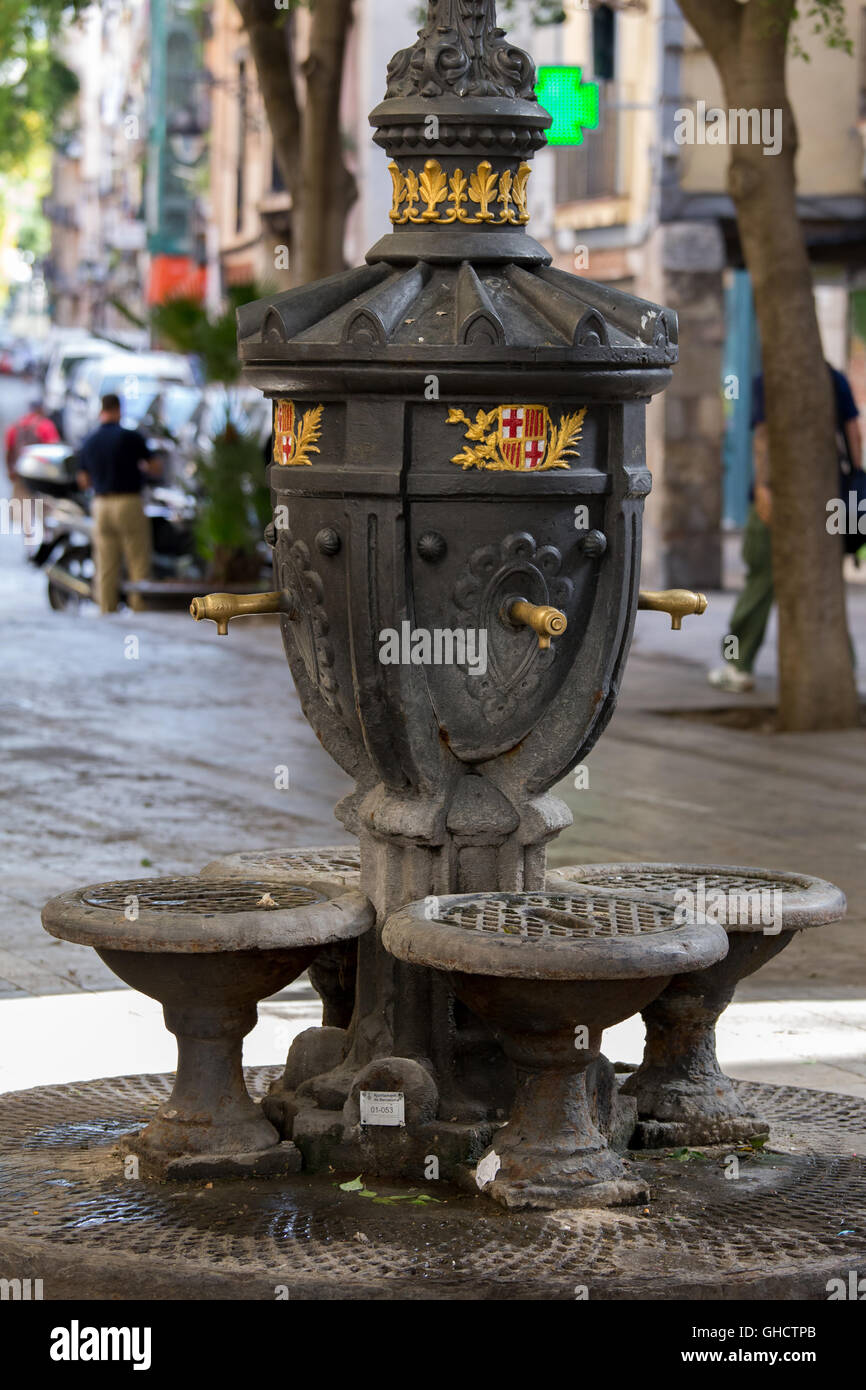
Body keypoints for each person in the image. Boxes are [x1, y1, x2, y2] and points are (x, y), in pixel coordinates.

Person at [708, 363, 862, 693]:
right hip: (826, 498)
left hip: (780, 496)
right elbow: (853, 431)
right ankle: (842, 669)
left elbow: (763, 433)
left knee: (761, 580)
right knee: (823, 581)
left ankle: (737, 664)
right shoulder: (832, 378)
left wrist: (763, 486)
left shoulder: (773, 375)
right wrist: (854, 478)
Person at [76, 393, 159, 613]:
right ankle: (139, 608)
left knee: (105, 565)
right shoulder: (131, 437)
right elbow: (155, 467)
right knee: (137, 560)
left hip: (101, 504)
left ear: (101, 410)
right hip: (128, 502)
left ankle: (106, 610)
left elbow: (83, 481)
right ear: (118, 409)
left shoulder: (89, 440)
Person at [4, 397, 60, 505]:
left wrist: (10, 470)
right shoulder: (45, 425)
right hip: (41, 478)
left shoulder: (15, 426)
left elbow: (8, 451)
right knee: (41, 511)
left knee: (20, 511)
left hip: (19, 473)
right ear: (41, 409)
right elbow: (53, 450)